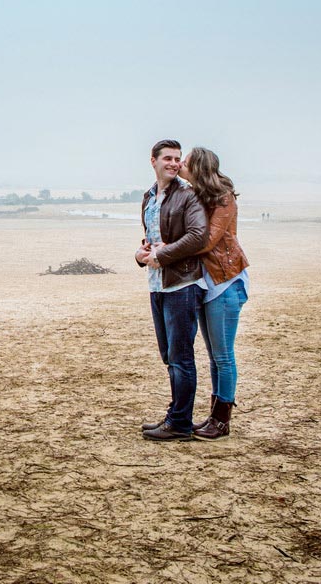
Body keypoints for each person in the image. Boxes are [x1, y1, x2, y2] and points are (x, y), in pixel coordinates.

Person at [135, 139, 210, 441]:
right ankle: (175, 414)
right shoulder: (149, 196)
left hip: (183, 284)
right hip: (158, 285)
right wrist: (141, 255)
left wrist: (162, 255)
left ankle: (180, 423)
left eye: (177, 159)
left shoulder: (188, 196)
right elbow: (152, 239)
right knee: (169, 355)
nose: (174, 163)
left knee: (181, 357)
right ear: (152, 161)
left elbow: (197, 236)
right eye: (167, 158)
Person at [181, 147, 249, 441]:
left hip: (225, 280)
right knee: (213, 355)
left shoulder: (223, 198)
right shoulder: (197, 195)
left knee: (223, 356)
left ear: (199, 167)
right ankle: (213, 416)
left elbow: (207, 241)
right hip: (207, 283)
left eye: (186, 161)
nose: (180, 164)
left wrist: (168, 252)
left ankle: (222, 421)